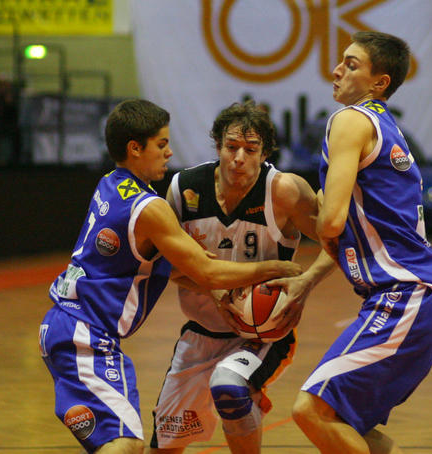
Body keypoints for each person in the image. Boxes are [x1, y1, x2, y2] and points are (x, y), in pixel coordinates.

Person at [38, 99, 303, 454]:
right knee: (124, 446)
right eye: (161, 144)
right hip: (86, 334)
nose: (169, 152)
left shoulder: (110, 184)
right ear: (135, 148)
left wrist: (216, 288)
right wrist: (276, 268)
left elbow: (178, 267)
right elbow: (207, 270)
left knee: (128, 444)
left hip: (67, 325)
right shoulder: (152, 207)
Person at [291, 31, 432, 454]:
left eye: (351, 64)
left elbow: (331, 222)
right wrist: (307, 280)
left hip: (405, 295)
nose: (336, 71)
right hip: (416, 296)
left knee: (311, 410)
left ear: (379, 82)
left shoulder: (350, 120)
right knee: (348, 425)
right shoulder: (386, 125)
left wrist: (297, 204)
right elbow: (353, 229)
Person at [148, 101, 335, 454]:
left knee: (229, 387)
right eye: (231, 147)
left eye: (250, 150)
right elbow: (165, 264)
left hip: (262, 336)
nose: (239, 158)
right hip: (199, 333)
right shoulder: (184, 188)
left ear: (264, 153)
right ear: (218, 145)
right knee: (163, 447)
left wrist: (307, 280)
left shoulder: (283, 190)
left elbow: (341, 240)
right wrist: (215, 288)